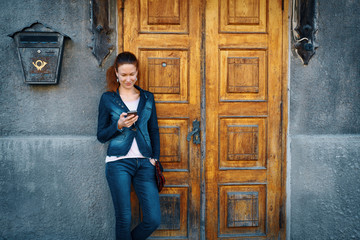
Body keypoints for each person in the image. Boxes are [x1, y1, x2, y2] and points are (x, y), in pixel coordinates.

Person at [97, 52, 161, 240]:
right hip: (118, 163)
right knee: (124, 218)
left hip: (144, 164)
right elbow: (101, 135)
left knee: (153, 219)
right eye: (123, 75)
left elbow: (154, 130)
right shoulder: (108, 99)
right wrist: (118, 126)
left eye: (131, 74)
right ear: (116, 73)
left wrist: (154, 159)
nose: (128, 79)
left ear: (137, 72)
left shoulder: (148, 98)